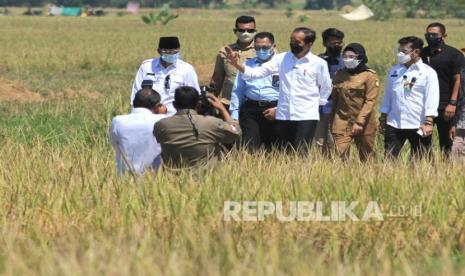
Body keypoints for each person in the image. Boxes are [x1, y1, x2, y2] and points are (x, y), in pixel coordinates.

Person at [226, 27, 332, 155]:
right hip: (284, 115)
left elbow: (326, 87)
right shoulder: (282, 58)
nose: (293, 43)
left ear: (309, 44)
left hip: (306, 115)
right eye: (291, 40)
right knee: (284, 152)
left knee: (301, 151)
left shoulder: (318, 63)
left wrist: (317, 104)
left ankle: (302, 175)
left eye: (297, 42)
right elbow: (256, 73)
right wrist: (237, 64)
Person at [379, 36, 440, 160]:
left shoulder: (428, 73)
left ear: (416, 52)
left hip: (418, 123)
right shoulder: (395, 70)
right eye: (399, 50)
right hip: (394, 123)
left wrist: (428, 122)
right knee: (389, 159)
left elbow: (432, 98)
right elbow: (389, 95)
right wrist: (383, 117)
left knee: (421, 160)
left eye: (404, 51)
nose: (400, 54)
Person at [154, 86, 242, 168]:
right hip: (206, 177)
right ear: (198, 104)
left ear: (174, 105)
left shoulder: (161, 125)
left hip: (172, 179)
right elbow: (236, 132)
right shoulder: (211, 123)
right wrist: (222, 109)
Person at [229, 32, 279, 152]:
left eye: (265, 47)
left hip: (276, 109)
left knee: (275, 148)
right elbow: (238, 90)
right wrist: (234, 115)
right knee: (250, 148)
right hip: (251, 109)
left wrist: (278, 109)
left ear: (274, 46)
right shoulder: (247, 65)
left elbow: (289, 91)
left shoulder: (282, 64)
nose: (261, 50)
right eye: (257, 48)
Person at [421, 22, 465, 156]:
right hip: (425, 105)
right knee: (422, 140)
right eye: (428, 34)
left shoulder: (454, 54)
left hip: (445, 105)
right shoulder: (422, 53)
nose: (430, 37)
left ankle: (445, 170)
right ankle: (425, 169)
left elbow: (458, 80)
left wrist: (452, 103)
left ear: (444, 35)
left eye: (434, 34)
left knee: (446, 142)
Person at [330, 43, 379, 161]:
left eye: (351, 56)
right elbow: (335, 99)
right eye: (345, 56)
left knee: (367, 156)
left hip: (364, 122)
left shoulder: (369, 75)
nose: (347, 59)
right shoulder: (339, 74)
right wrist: (331, 121)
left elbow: (370, 100)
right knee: (337, 154)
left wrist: (360, 122)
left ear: (360, 57)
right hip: (342, 120)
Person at [131, 36, 200, 116]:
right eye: (168, 52)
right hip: (149, 116)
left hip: (174, 117)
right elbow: (136, 93)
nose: (172, 55)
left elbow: (194, 96)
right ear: (159, 51)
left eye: (175, 52)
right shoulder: (147, 66)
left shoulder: (186, 69)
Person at [110, 88, 167, 175]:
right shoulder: (162, 120)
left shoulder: (117, 121)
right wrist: (163, 114)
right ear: (157, 106)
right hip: (155, 178)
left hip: (125, 178)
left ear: (134, 102)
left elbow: (114, 145)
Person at [210, 16, 257, 107]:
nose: (246, 33)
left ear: (255, 31)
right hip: (228, 102)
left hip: (253, 104)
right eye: (242, 30)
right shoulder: (225, 51)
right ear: (235, 31)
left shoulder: (264, 50)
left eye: (250, 31)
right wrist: (210, 101)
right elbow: (217, 79)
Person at [315, 28, 345, 152]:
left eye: (339, 43)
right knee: (319, 143)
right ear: (325, 43)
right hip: (320, 109)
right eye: (333, 43)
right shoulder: (317, 61)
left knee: (337, 143)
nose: (337, 46)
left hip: (340, 109)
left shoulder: (346, 62)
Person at [449, 52, 465, 161]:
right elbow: (460, 98)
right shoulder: (462, 71)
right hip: (462, 120)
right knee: (456, 151)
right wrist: (454, 123)